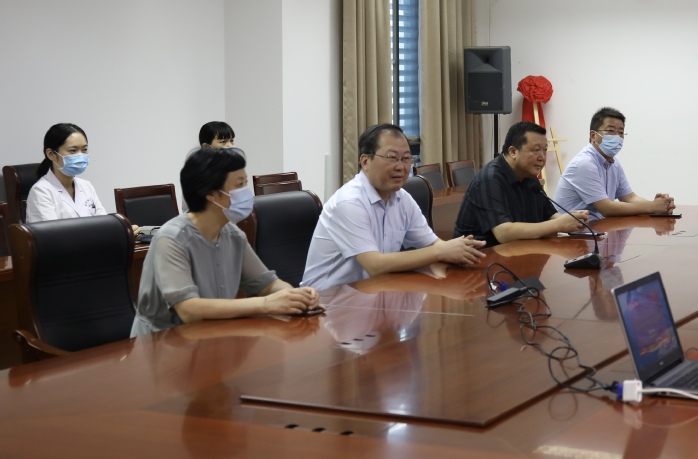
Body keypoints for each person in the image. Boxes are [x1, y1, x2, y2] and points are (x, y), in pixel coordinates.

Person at [131, 147, 322, 336]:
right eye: (239, 185)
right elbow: (189, 310)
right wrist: (265, 304)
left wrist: (296, 297)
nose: (246, 193)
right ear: (211, 193)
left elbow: (267, 284)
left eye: (245, 184)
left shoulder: (232, 234)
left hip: (214, 335)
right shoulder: (172, 239)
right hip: (163, 342)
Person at [301, 123, 486, 291]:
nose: (401, 167)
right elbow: (375, 265)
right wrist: (441, 251)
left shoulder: (403, 199)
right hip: (327, 302)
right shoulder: (349, 202)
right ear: (365, 161)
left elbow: (433, 244)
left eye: (406, 159)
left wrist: (460, 250)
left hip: (376, 293)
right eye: (392, 158)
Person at [453, 121, 589, 247]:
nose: (542, 157)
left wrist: (573, 220)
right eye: (536, 150)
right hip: (481, 257)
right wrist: (559, 225)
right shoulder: (489, 179)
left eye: (545, 150)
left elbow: (550, 215)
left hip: (518, 251)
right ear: (513, 152)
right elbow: (503, 233)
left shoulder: (529, 176)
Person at [554, 107, 675, 220]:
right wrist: (651, 207)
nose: (617, 137)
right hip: (571, 232)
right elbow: (607, 208)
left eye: (621, 132)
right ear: (593, 136)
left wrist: (658, 205)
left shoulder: (614, 163)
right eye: (611, 131)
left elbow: (629, 197)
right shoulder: (584, 163)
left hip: (597, 228)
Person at [26, 123, 108, 222]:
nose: (80, 156)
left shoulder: (86, 186)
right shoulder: (41, 191)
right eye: (73, 150)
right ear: (51, 154)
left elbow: (104, 222)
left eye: (84, 149)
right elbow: (50, 230)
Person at [182, 121, 237, 212]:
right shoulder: (198, 172)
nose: (230, 146)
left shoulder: (229, 168)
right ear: (206, 147)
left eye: (231, 141)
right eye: (223, 142)